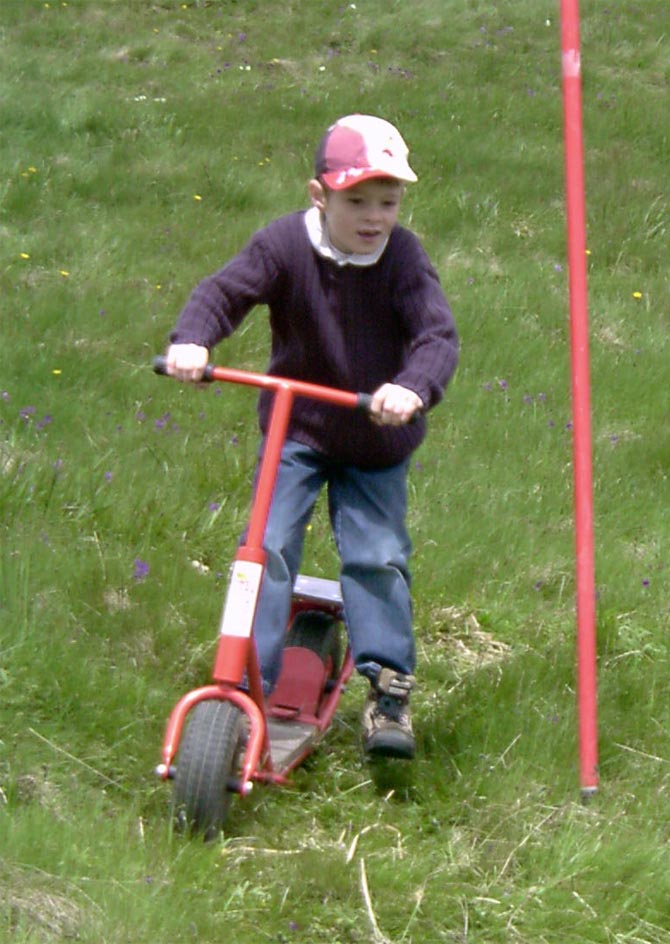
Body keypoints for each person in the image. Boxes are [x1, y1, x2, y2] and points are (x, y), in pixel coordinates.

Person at [164, 114, 459, 759]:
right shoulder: (282, 245)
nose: (375, 217)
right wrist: (193, 339)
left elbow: (436, 336)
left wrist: (412, 387)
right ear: (319, 195)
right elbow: (223, 292)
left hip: (375, 441)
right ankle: (248, 682)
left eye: (388, 201)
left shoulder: (403, 259)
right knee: (264, 548)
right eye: (358, 201)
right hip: (295, 432)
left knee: (375, 556)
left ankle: (388, 691)